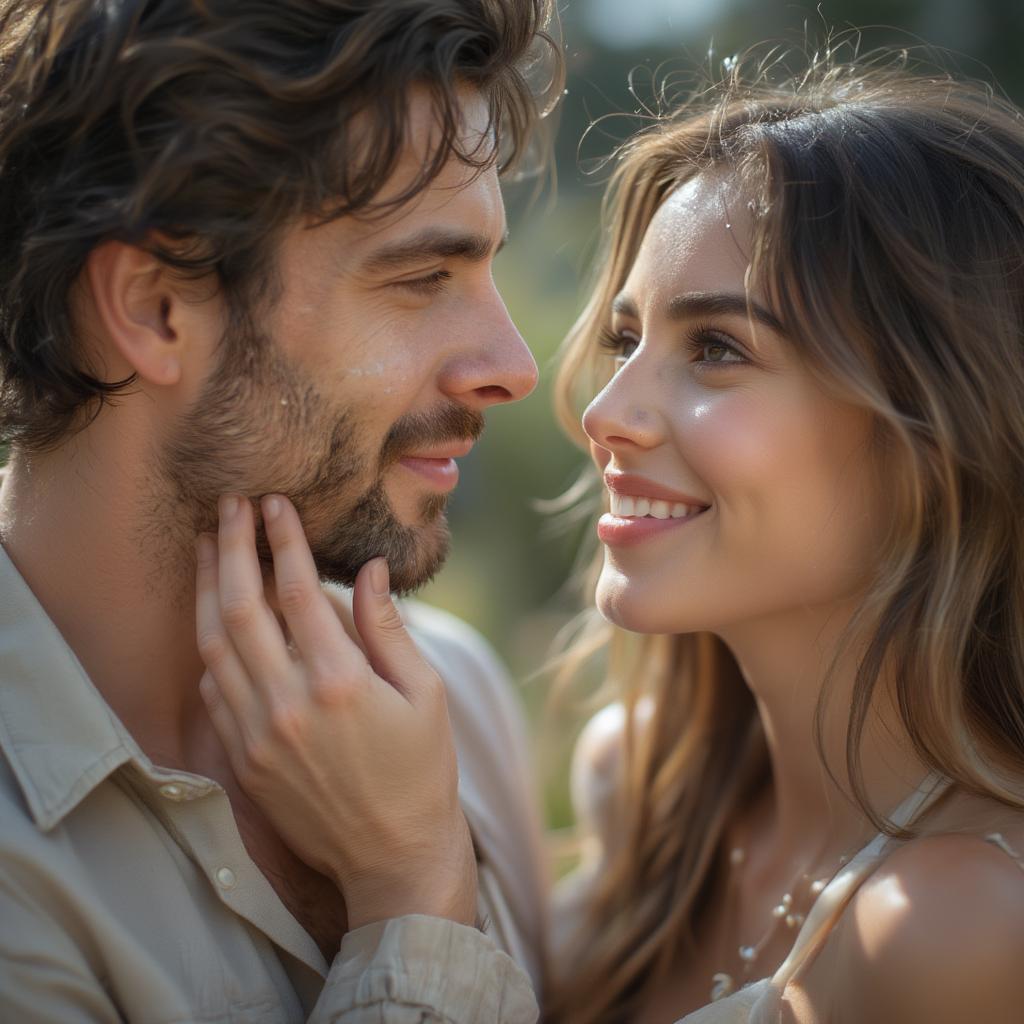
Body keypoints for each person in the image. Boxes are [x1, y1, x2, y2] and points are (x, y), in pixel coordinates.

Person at [197, 42, 1024, 1024]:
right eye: (628, 339)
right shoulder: (638, 796)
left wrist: (405, 881)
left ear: (941, 431)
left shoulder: (962, 928)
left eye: (716, 349)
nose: (605, 412)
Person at [0, 1, 561, 1021]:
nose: (514, 367)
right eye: (423, 276)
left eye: (485, 271)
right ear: (157, 309)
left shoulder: (459, 698)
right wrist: (415, 897)